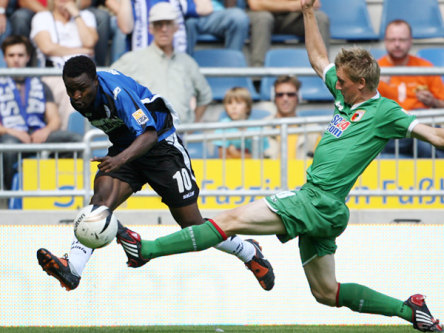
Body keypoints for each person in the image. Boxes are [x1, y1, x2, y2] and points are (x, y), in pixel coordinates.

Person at [111, 1, 444, 331]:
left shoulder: (386, 112)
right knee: (327, 292)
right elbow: (318, 59)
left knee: (231, 219)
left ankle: (146, 250)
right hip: (327, 210)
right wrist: (308, 13)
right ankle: (410, 310)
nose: (335, 86)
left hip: (316, 200)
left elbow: (435, 136)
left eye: (341, 82)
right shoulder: (347, 96)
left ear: (361, 83)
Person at [36, 55, 275, 292]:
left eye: (82, 89)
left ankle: (249, 251)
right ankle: (73, 269)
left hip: (160, 147)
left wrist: (119, 159)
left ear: (96, 81)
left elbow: (148, 135)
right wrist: (121, 156)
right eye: (70, 90)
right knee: (99, 205)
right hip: (127, 146)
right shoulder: (82, 99)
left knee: (191, 225)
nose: (76, 96)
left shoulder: (117, 94)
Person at [0, 35, 82, 190]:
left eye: (20, 55)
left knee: (75, 139)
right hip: (10, 136)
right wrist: (12, 132)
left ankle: (60, 186)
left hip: (39, 134)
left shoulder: (40, 85)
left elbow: (55, 120)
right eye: (11, 55)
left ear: (28, 57)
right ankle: (10, 197)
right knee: (9, 146)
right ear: (5, 58)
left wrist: (46, 130)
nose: (16, 60)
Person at [111, 1, 212, 124]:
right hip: (147, 137)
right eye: (158, 24)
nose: (164, 29)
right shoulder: (132, 60)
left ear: (176, 27)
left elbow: (205, 96)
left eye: (168, 23)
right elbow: (107, 87)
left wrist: (191, 127)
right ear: (150, 28)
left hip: (181, 135)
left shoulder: (188, 63)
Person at [378, 19, 444, 158]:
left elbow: (442, 103)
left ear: (410, 41)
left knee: (422, 135)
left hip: (421, 125)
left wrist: (433, 102)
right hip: (390, 132)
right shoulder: (375, 71)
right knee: (423, 137)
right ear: (385, 40)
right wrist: (373, 87)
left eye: (402, 40)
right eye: (392, 40)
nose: (397, 44)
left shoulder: (425, 67)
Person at [30, 0, 99, 130]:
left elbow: (89, 42)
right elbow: (47, 48)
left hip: (85, 74)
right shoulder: (42, 17)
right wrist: (80, 50)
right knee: (71, 89)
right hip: (54, 73)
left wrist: (76, 14)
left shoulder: (86, 16)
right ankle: (72, 141)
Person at [247, 0, 329, 68]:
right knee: (263, 19)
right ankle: (257, 78)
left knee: (320, 18)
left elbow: (314, 3)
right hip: (261, 15)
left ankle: (323, 72)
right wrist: (294, 5)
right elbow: (255, 4)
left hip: (293, 17)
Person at [266, 75, 321, 159]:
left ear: (298, 97)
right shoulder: (262, 128)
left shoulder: (312, 129)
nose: (285, 98)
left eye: (290, 94)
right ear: (274, 98)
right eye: (280, 95)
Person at [213, 87, 269, 158]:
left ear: (247, 107)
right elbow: (223, 157)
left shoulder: (257, 127)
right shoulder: (222, 126)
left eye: (239, 103)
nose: (234, 107)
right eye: (229, 103)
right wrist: (249, 157)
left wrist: (235, 154)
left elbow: (261, 158)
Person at [184, 0, 249, 55]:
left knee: (238, 17)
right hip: (196, 14)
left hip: (222, 14)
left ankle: (233, 66)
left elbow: (231, 6)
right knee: (237, 16)